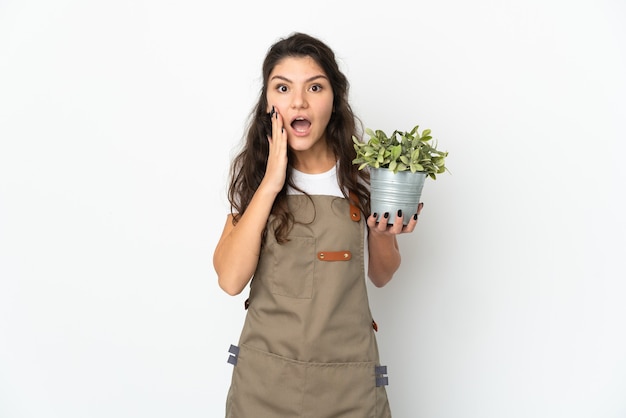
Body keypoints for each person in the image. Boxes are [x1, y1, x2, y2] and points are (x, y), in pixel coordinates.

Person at [213, 32, 423, 417]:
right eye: (283, 87)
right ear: (268, 103)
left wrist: (381, 234)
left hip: (350, 387)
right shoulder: (255, 177)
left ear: (335, 98)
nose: (298, 101)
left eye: (314, 86)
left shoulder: (362, 177)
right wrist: (272, 183)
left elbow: (382, 275)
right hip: (263, 387)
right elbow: (229, 279)